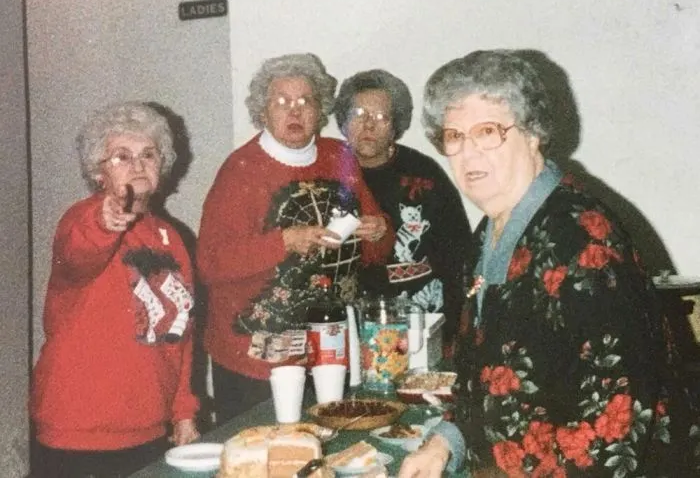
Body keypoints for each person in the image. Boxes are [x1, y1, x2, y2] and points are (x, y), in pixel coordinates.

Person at [399, 50, 699, 478]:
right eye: (454, 136)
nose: (468, 153)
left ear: (532, 133)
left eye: (487, 132)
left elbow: (615, 432)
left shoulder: (583, 242)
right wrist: (446, 441)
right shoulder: (490, 231)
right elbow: (482, 374)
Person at [197, 53, 393, 424]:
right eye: (282, 101)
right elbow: (210, 263)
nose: (295, 111)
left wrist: (380, 229)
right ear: (263, 111)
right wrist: (284, 241)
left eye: (305, 101)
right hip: (256, 360)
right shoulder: (241, 170)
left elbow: (376, 252)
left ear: (320, 110)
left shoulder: (339, 156)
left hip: (330, 351)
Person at [31, 102, 200, 478]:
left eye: (148, 154)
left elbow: (180, 334)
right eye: (122, 156)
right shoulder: (81, 218)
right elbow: (79, 252)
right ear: (99, 172)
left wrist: (183, 412)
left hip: (148, 429)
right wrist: (104, 222)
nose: (137, 165)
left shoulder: (171, 237)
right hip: (77, 434)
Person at [334, 69, 475, 352]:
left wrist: (456, 329)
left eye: (381, 117)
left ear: (395, 125)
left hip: (422, 319)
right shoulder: (328, 173)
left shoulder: (423, 173)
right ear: (344, 120)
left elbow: (459, 251)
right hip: (352, 325)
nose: (368, 125)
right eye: (359, 114)